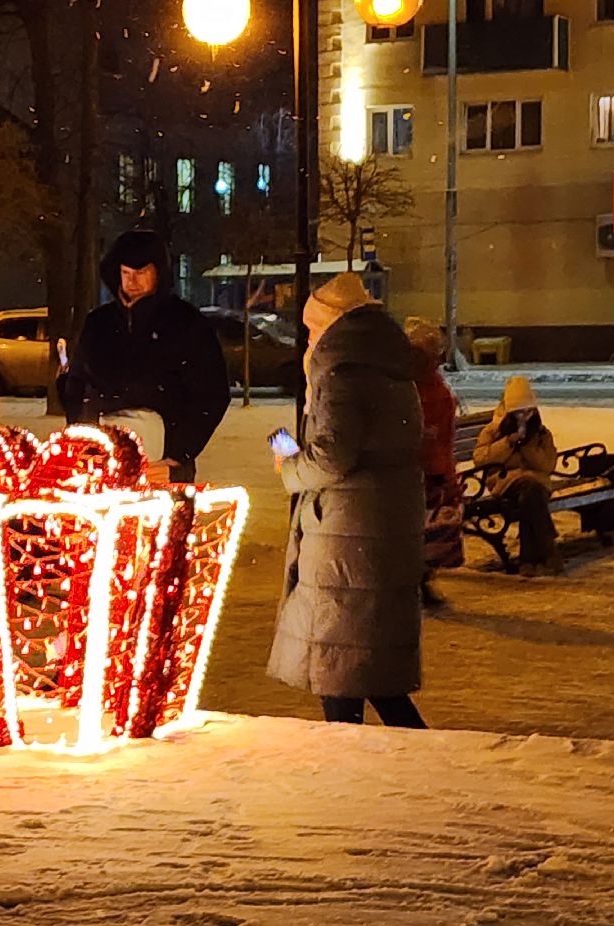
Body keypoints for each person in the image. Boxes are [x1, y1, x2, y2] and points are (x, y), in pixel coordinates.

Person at [267, 273, 427, 729]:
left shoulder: (341, 371)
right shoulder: (386, 364)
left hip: (345, 531)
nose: (309, 341)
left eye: (314, 330)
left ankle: (360, 753)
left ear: (334, 327)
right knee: (364, 663)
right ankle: (404, 750)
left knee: (338, 663)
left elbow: (333, 454)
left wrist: (289, 465)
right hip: (376, 524)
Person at [60, 229, 229, 482]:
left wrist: (179, 454)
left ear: (158, 272)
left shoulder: (186, 324)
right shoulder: (98, 324)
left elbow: (211, 395)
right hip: (102, 461)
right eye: (126, 272)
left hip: (162, 464)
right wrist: (83, 437)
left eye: (141, 272)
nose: (132, 281)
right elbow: (77, 386)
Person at [473, 375, 560, 577]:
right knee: (532, 491)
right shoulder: (493, 431)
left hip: (535, 484)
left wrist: (527, 446)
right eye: (519, 412)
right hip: (505, 481)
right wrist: (509, 442)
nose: (524, 417)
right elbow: (481, 459)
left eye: (528, 411)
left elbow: (547, 465)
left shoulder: (541, 433)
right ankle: (548, 551)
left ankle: (528, 561)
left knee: (530, 496)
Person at [406, 318, 464, 607]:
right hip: (420, 470)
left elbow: (442, 435)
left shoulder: (431, 388)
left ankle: (422, 578)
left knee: (425, 530)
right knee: (418, 530)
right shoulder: (420, 386)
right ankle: (419, 579)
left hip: (430, 471)